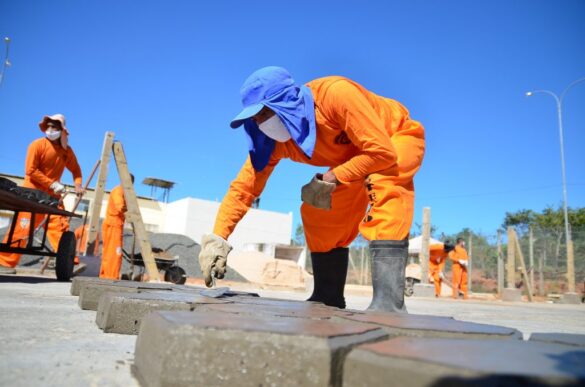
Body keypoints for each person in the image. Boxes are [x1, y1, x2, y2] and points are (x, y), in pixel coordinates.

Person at [198, 66, 425, 312]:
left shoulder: (335, 96)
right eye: (254, 119)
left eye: (263, 114)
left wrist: (333, 175)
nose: (260, 123)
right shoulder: (275, 144)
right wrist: (218, 237)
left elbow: (381, 153)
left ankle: (389, 304)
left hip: (392, 138)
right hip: (354, 159)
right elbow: (244, 188)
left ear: (285, 102)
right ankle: (328, 296)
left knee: (383, 182)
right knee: (317, 209)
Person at [0, 114, 82, 274]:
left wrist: (78, 184)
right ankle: (5, 263)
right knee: (21, 229)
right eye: (48, 127)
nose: (50, 130)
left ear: (62, 130)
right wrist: (51, 183)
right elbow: (30, 170)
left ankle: (70, 263)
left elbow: (76, 170)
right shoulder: (37, 145)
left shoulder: (66, 152)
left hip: (52, 197)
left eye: (55, 127)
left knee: (59, 228)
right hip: (31, 194)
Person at [99, 175, 133, 279]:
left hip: (114, 225)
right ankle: (111, 277)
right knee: (115, 253)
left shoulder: (120, 191)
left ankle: (105, 276)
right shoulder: (119, 191)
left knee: (109, 252)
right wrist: (132, 215)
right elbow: (120, 206)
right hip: (114, 225)